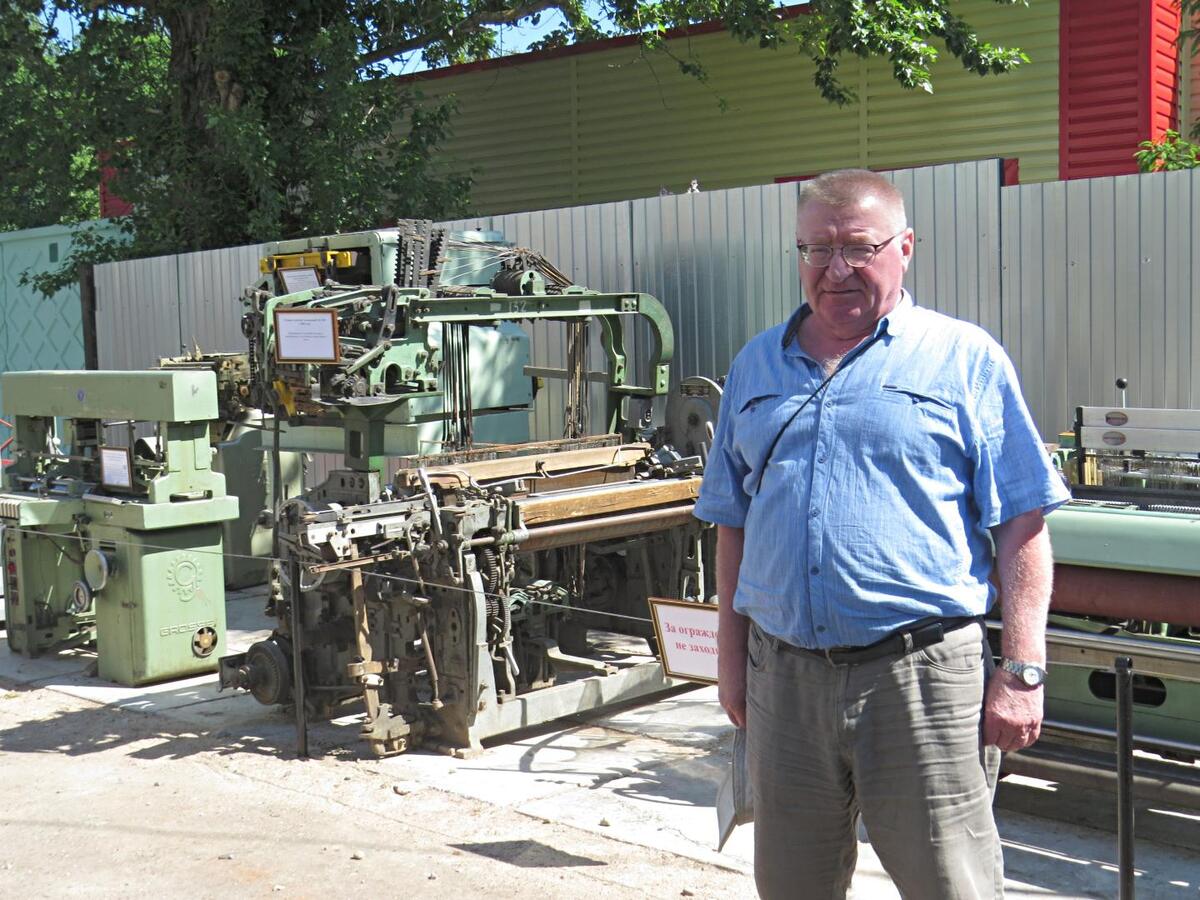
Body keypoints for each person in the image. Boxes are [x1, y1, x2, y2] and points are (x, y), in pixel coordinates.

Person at [693, 168, 1069, 899]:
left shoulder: (963, 358)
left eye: (859, 248)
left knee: (950, 884)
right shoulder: (756, 364)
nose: (836, 269)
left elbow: (1023, 520)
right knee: (792, 885)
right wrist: (731, 665)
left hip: (920, 678)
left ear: (905, 248)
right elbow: (731, 523)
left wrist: (1023, 670)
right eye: (815, 249)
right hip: (786, 680)